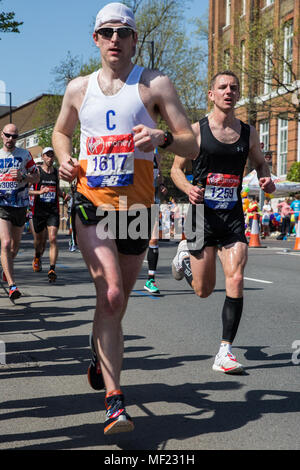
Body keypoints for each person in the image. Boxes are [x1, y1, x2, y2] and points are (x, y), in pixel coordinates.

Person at [52, 2, 197, 435]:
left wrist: (163, 136)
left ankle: (100, 352)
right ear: (95, 39)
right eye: (107, 31)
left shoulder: (155, 84)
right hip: (91, 201)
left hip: (135, 208)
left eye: (124, 32)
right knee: (112, 293)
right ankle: (115, 401)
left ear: (135, 40)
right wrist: (64, 159)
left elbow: (191, 145)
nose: (115, 38)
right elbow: (61, 131)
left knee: (116, 302)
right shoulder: (78, 88)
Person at [170, 71, 275, 374]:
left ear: (238, 94)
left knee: (237, 277)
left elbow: (259, 161)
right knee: (204, 290)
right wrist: (187, 187)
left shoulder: (248, 133)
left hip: (231, 215)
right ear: (211, 94)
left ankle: (224, 352)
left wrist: (265, 176)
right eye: (222, 87)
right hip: (201, 215)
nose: (229, 91)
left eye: (234, 87)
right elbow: (177, 169)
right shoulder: (196, 132)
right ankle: (184, 258)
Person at [0, 124, 39, 300]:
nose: (10, 139)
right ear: (2, 135)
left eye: (14, 136)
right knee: (6, 243)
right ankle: (12, 285)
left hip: (20, 205)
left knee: (14, 247)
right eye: (7, 135)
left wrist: (23, 177)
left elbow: (37, 177)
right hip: (2, 205)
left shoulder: (25, 155)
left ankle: (5, 271)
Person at [29, 147, 64, 282]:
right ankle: (37, 256)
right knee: (40, 242)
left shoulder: (56, 173)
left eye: (52, 155)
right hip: (39, 210)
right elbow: (27, 191)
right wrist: (39, 193)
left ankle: (52, 269)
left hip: (52, 211)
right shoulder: (37, 173)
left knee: (53, 238)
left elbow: (57, 189)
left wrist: (64, 195)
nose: (50, 158)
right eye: (47, 156)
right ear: (42, 157)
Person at [144, 149, 167, 295]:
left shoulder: (156, 156)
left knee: (153, 239)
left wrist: (161, 184)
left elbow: (159, 178)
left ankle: (150, 280)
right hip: (132, 201)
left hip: (151, 201)